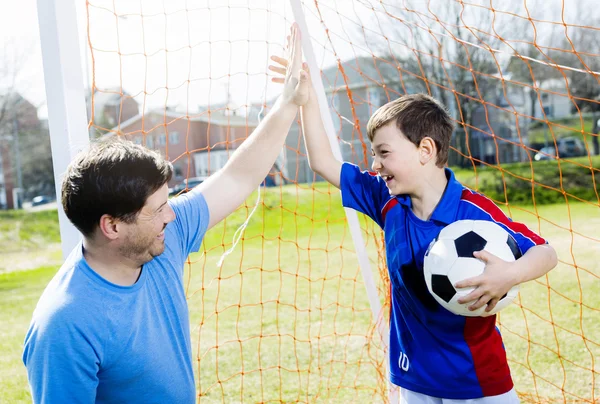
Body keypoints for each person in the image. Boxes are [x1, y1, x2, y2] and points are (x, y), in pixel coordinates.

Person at [22, 24, 309, 403]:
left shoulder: (160, 238)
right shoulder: (64, 326)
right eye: (157, 210)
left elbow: (238, 176)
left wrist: (288, 101)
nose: (171, 217)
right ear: (111, 226)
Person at [268, 58, 558, 403]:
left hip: (477, 383)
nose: (375, 165)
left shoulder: (472, 212)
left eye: (384, 153)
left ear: (425, 150)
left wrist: (510, 273)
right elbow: (322, 161)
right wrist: (306, 100)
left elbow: (546, 252)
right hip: (413, 380)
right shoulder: (385, 200)